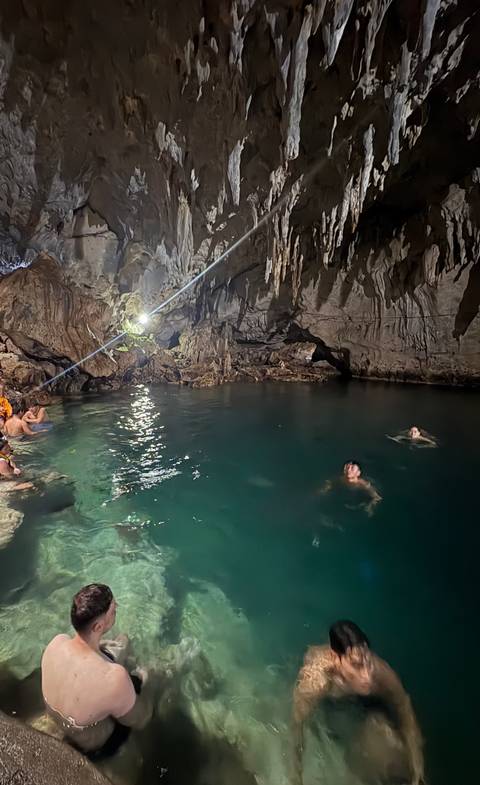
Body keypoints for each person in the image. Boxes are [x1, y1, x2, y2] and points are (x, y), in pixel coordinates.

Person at [292, 621, 424, 785]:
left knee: (385, 743)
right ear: (335, 657)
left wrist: (418, 768)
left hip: (367, 706)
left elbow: (404, 708)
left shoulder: (381, 673)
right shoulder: (316, 680)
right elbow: (296, 726)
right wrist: (296, 776)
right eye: (356, 665)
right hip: (329, 706)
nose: (367, 675)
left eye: (367, 661)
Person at [41, 583, 152, 754]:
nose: (117, 610)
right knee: (148, 678)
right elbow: (140, 719)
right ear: (98, 627)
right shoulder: (114, 678)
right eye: (114, 611)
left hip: (60, 720)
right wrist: (148, 683)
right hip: (94, 744)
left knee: (122, 641)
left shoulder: (56, 643)